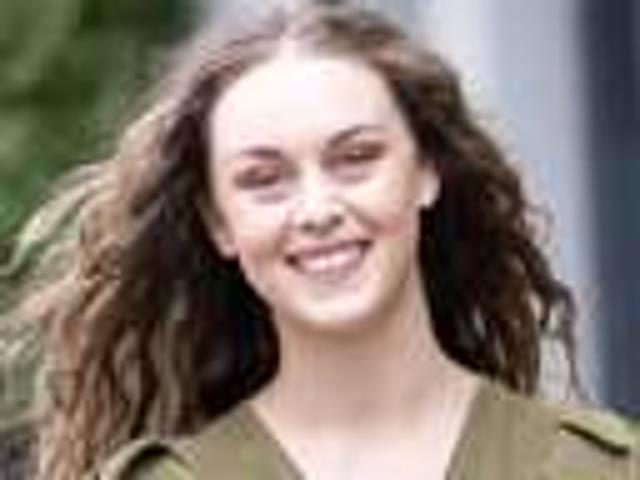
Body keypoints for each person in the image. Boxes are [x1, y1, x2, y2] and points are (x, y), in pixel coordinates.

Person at [9, 2, 637, 479]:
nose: (317, 210)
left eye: (355, 158)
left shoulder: (596, 468)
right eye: (264, 179)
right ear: (219, 224)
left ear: (426, 171)